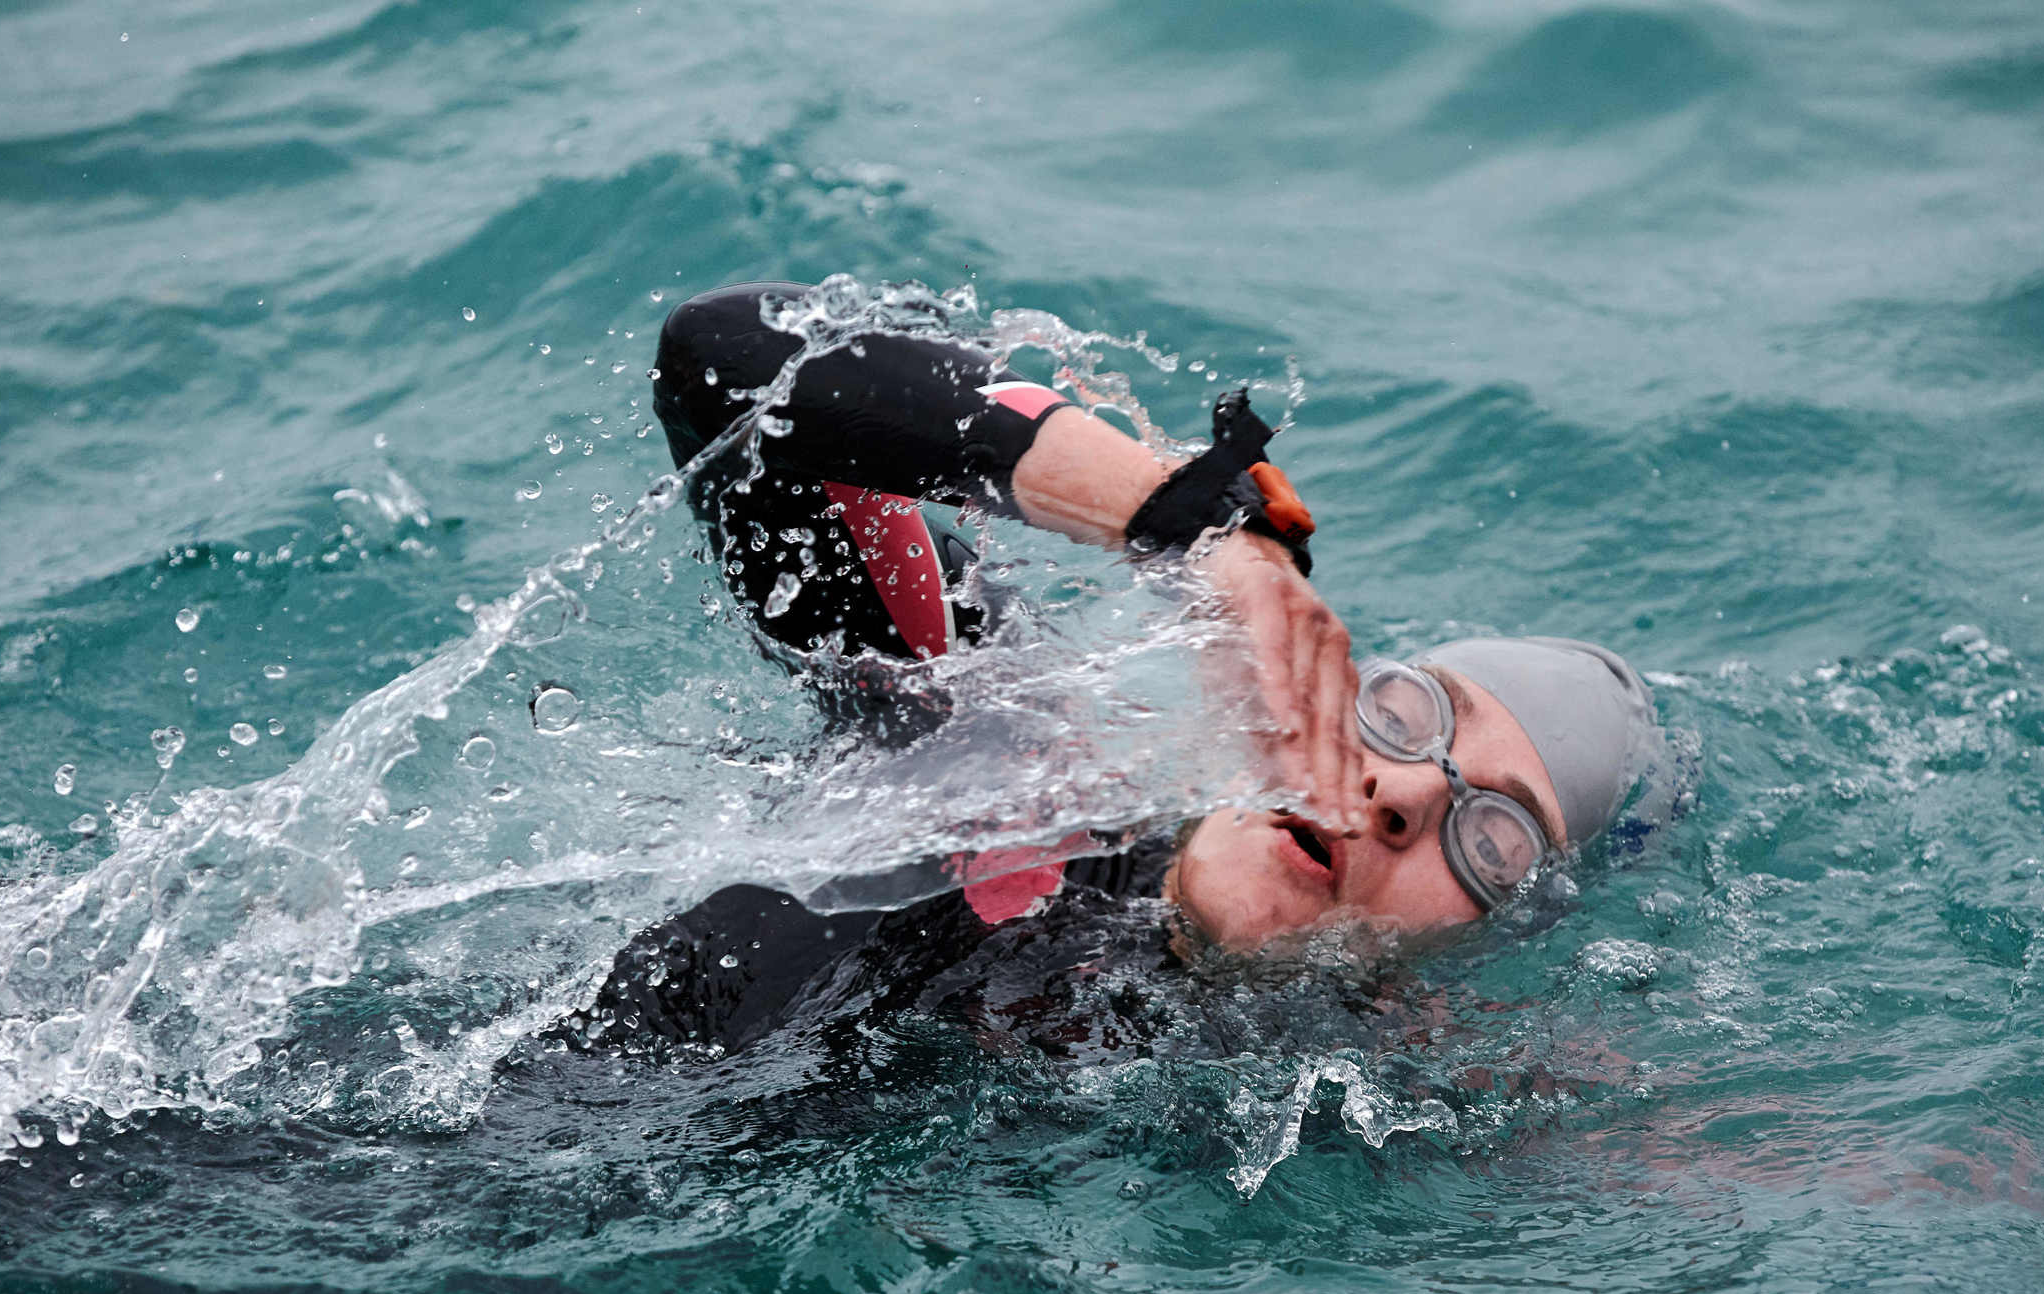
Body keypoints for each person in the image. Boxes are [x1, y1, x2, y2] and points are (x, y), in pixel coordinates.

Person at [564, 282, 1661, 1056]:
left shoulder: (1362, 1114)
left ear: (1485, 949)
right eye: (1407, 714)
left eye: (1494, 845)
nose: (1405, 795)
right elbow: (727, 358)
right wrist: (1183, 525)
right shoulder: (983, 743)